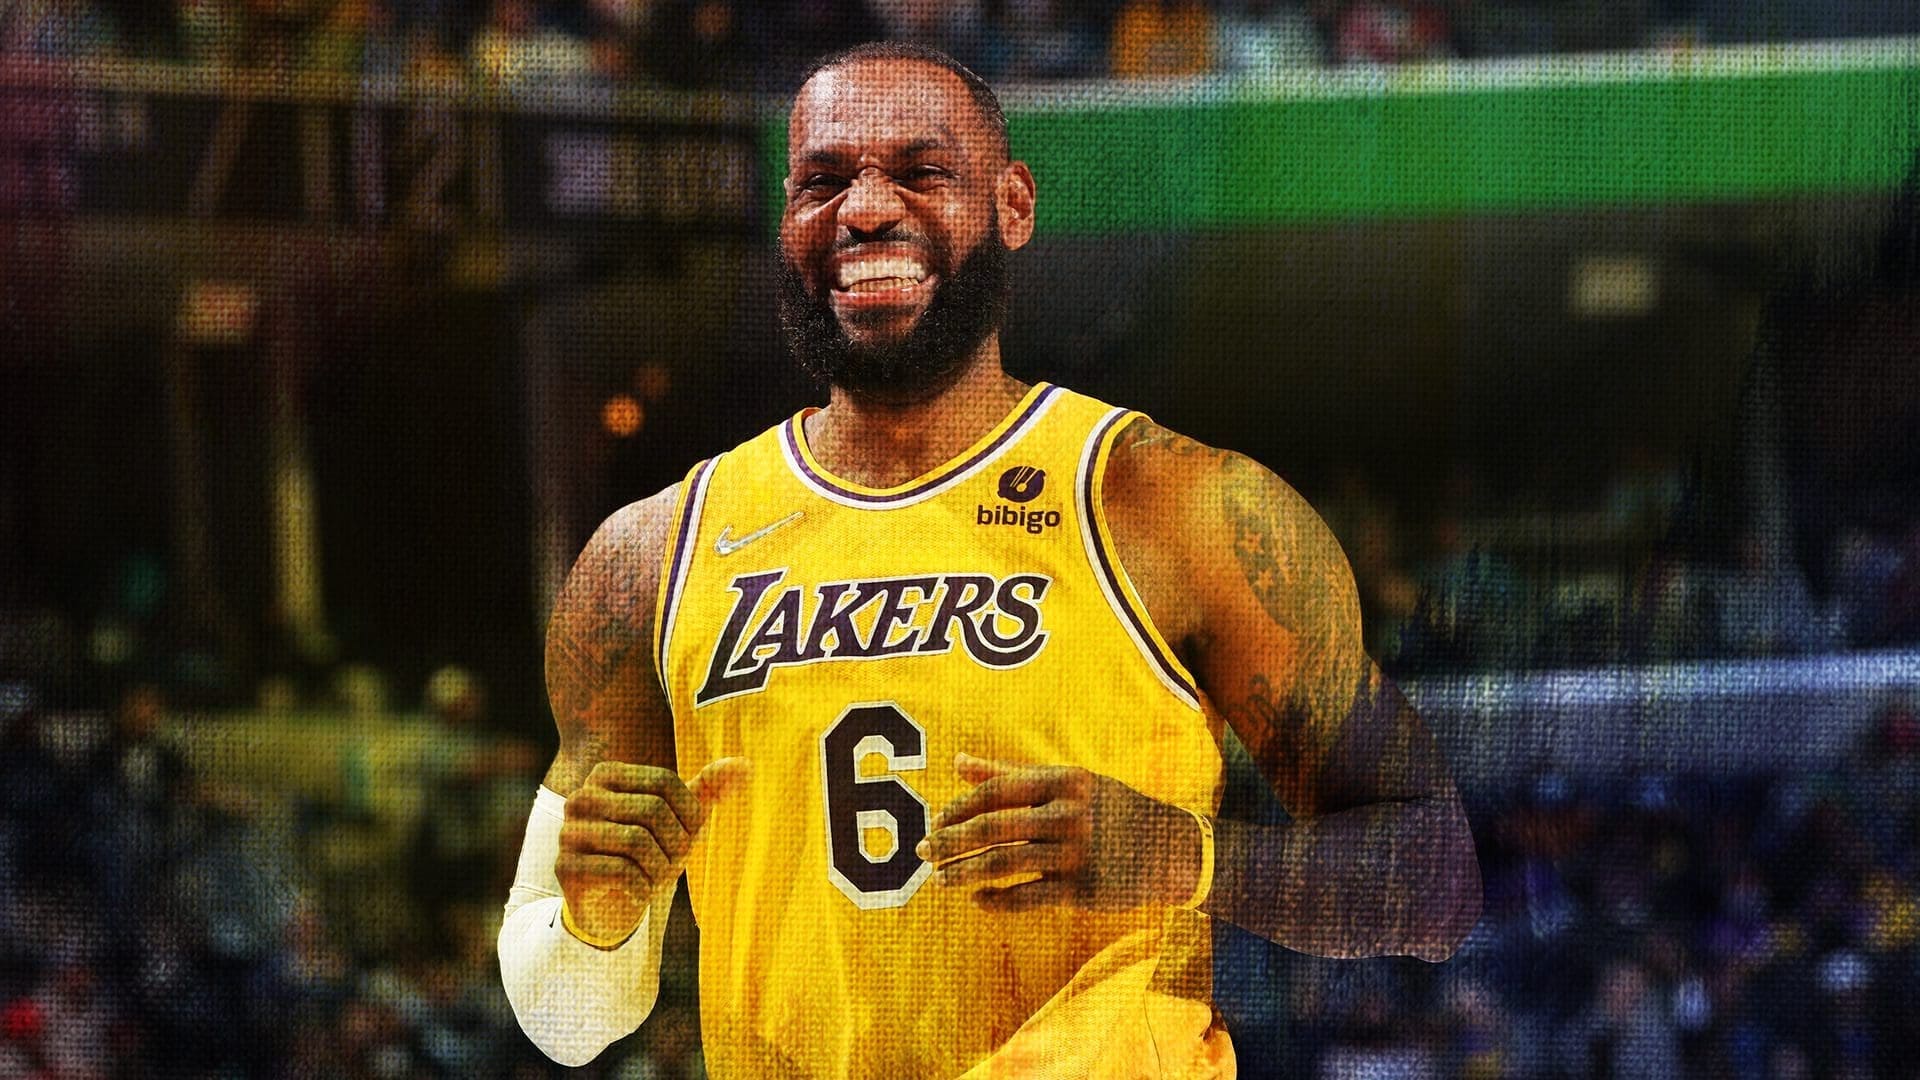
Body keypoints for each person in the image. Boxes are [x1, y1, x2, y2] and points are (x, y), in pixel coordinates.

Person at [498, 40, 1481, 1077]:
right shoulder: (650, 556)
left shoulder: (1176, 505)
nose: (865, 209)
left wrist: (1183, 855)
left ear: (1012, 204)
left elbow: (1434, 878)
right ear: (783, 220)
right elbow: (568, 1021)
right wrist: (599, 922)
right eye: (822, 180)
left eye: (920, 171)